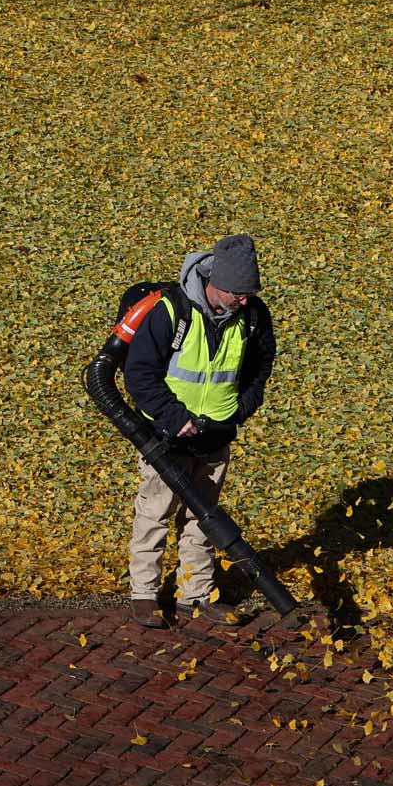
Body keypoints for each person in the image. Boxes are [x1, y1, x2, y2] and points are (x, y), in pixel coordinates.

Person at [122, 233, 276, 628]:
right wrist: (175, 419)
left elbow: (260, 370)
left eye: (249, 293)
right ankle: (144, 594)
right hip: (167, 437)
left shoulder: (254, 317)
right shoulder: (170, 311)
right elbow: (139, 375)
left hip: (216, 435)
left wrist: (238, 412)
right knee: (154, 513)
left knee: (203, 518)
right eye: (238, 293)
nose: (245, 300)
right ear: (215, 283)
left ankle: (195, 594)